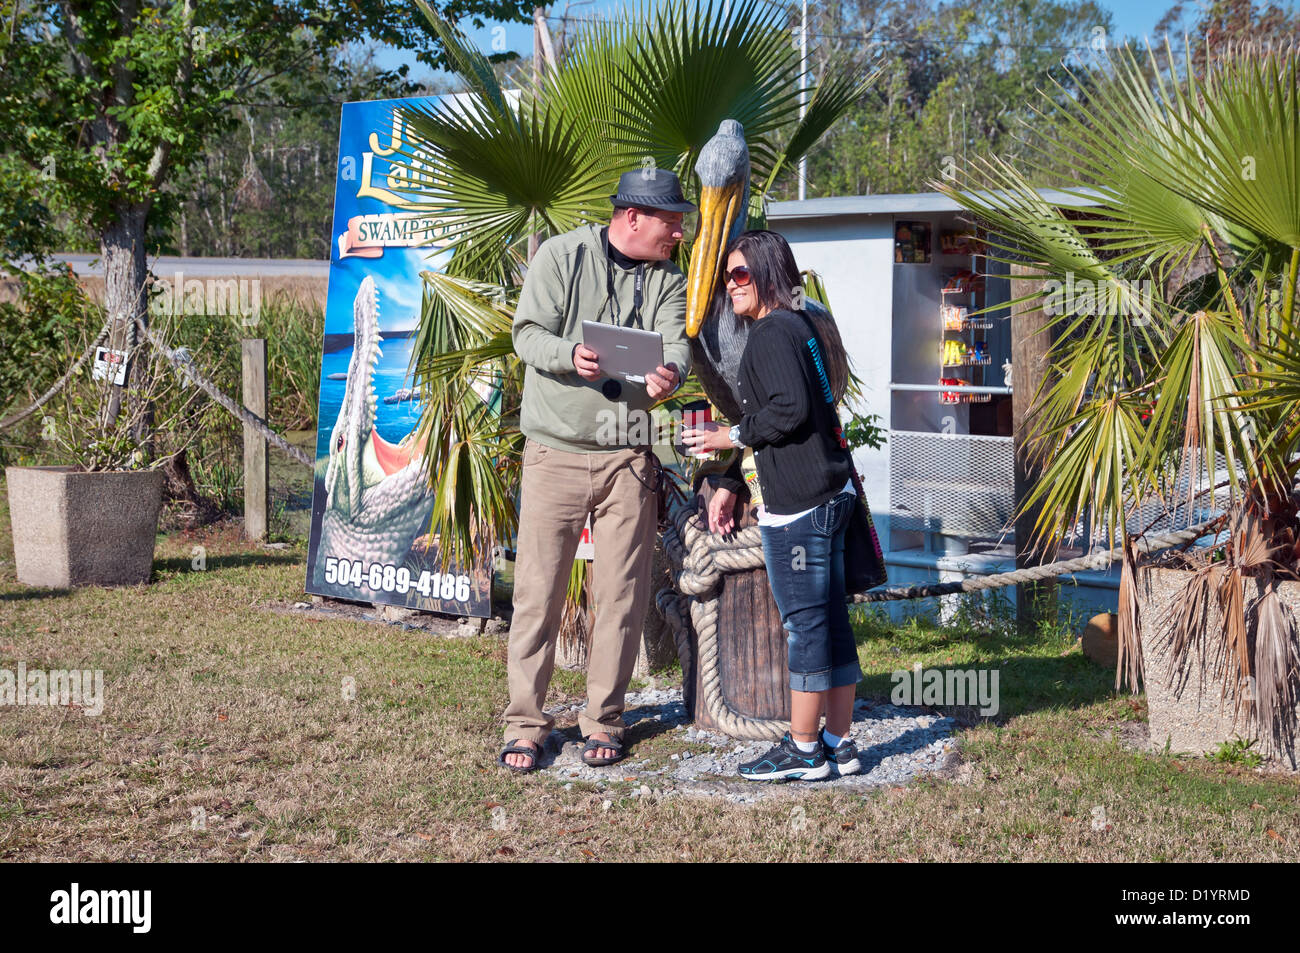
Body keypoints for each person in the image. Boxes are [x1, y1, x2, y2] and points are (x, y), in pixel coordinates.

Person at [499, 170, 694, 772]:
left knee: (622, 596)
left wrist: (670, 376)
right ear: (633, 217)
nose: (680, 231)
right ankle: (526, 724)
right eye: (671, 220)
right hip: (554, 452)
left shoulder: (670, 278)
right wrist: (569, 356)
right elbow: (526, 334)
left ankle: (603, 720)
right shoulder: (562, 256)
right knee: (538, 594)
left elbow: (678, 347)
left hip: (629, 456)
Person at [682, 229, 863, 781]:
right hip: (833, 494)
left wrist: (727, 436)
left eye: (740, 274)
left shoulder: (767, 334)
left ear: (767, 275)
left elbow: (788, 410)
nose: (730, 285)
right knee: (831, 621)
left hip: (801, 508)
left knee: (805, 626)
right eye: (726, 276)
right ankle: (838, 740)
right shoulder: (806, 325)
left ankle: (804, 749)